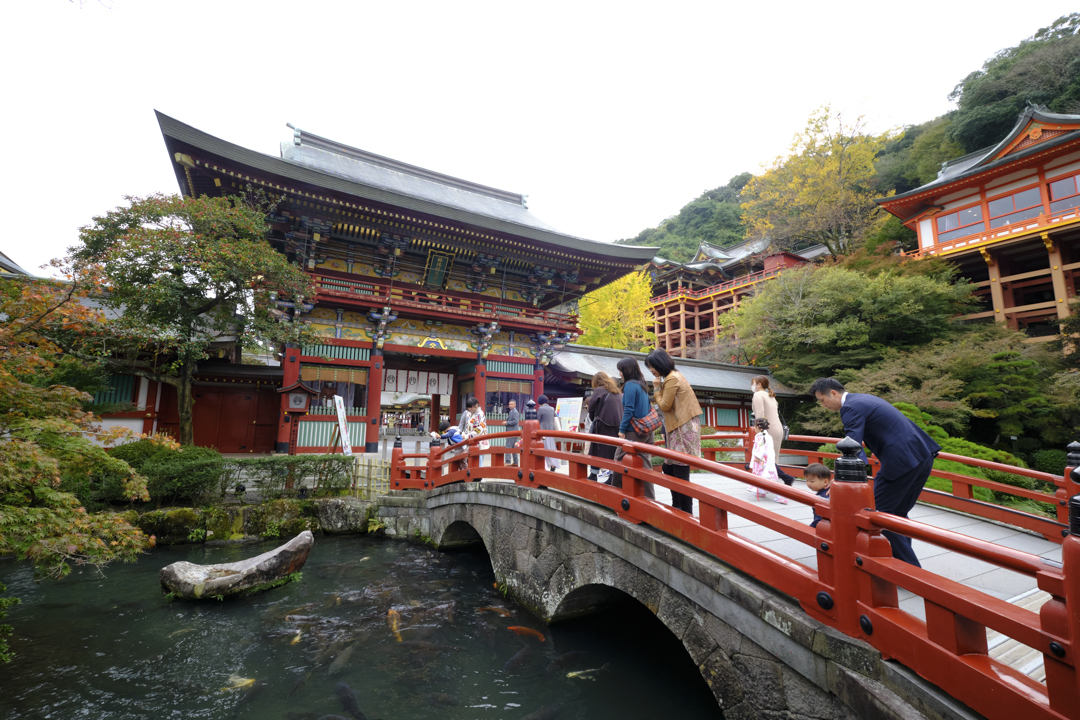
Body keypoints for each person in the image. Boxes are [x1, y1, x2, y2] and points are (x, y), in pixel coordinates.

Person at [809, 377, 941, 567]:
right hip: (922, 454)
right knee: (897, 514)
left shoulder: (850, 408)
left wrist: (843, 480)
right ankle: (901, 564)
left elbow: (852, 445)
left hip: (901, 459)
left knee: (877, 514)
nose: (823, 405)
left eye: (822, 400)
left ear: (834, 393)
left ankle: (909, 570)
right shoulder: (863, 399)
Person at [645, 349, 702, 514]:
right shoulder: (674, 376)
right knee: (669, 467)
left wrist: (656, 389)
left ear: (661, 363)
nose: (651, 370)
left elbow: (664, 406)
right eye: (649, 367)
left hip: (682, 427)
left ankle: (686, 511)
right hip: (677, 426)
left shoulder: (671, 379)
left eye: (652, 366)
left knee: (680, 469)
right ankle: (677, 506)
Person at [614, 358, 656, 499]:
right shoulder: (642, 385)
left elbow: (628, 410)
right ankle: (649, 499)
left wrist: (622, 429)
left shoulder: (630, 386)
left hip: (634, 432)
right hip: (647, 431)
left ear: (626, 370)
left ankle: (616, 495)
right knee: (645, 467)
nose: (619, 373)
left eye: (620, 370)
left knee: (619, 461)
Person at [751, 375, 796, 486]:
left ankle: (786, 478)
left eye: (753, 383)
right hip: (777, 429)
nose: (752, 386)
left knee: (765, 456)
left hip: (767, 429)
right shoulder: (770, 395)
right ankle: (773, 482)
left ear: (759, 384)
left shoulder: (757, 395)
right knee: (773, 457)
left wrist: (759, 431)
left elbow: (760, 415)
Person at [586, 372, 623, 482]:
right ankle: (611, 476)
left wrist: (594, 417)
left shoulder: (599, 390)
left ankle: (593, 474)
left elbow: (591, 407)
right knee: (612, 450)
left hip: (603, 424)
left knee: (596, 449)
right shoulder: (617, 391)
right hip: (618, 425)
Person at [748, 418, 788, 504]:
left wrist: (758, 457)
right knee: (767, 476)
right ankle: (762, 491)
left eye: (754, 426)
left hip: (762, 461)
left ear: (758, 427)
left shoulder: (759, 437)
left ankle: (780, 496)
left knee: (767, 478)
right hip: (768, 461)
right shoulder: (768, 436)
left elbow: (761, 449)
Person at [459, 397, 489, 467]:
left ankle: (480, 477)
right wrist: (464, 433)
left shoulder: (479, 414)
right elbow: (468, 426)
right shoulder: (470, 413)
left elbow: (479, 429)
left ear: (474, 406)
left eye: (469, 407)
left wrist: (468, 436)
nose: (469, 409)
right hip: (471, 440)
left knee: (478, 461)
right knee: (472, 461)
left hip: (478, 441)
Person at [536, 395, 561, 471]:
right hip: (551, 431)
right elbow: (555, 418)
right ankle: (553, 464)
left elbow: (538, 420)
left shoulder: (540, 409)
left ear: (539, 402)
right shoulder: (552, 408)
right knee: (551, 448)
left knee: (544, 448)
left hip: (543, 432)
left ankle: (545, 464)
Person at [804, 463, 832, 528]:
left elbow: (819, 519)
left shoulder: (823, 497)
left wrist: (811, 529)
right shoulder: (828, 493)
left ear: (825, 482)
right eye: (807, 480)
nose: (808, 483)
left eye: (812, 481)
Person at [504, 399, 520, 467]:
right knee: (513, 447)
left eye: (511, 404)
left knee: (508, 446)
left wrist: (507, 423)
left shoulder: (515, 412)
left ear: (515, 405)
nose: (510, 406)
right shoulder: (511, 411)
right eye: (509, 404)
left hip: (513, 431)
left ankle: (508, 461)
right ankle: (515, 462)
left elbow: (515, 421)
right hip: (512, 431)